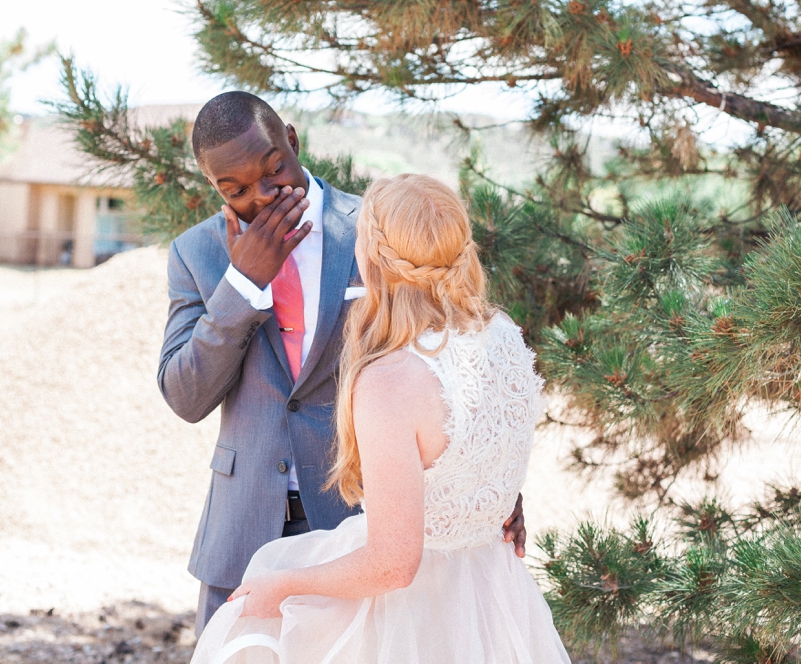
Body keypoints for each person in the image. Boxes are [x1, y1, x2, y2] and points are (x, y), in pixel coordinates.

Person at [157, 92, 527, 636]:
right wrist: (242, 286)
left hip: (361, 528)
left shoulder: (375, 231)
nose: (262, 198)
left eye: (274, 171)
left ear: (292, 140)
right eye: (234, 191)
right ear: (214, 187)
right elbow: (184, 396)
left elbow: (455, 359)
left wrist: (486, 484)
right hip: (241, 531)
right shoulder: (197, 254)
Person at [190, 174, 571, 663]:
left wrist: (282, 587)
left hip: (409, 618)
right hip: (493, 595)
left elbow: (393, 565)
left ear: (371, 253)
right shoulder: (504, 337)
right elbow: (476, 457)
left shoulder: (392, 380)